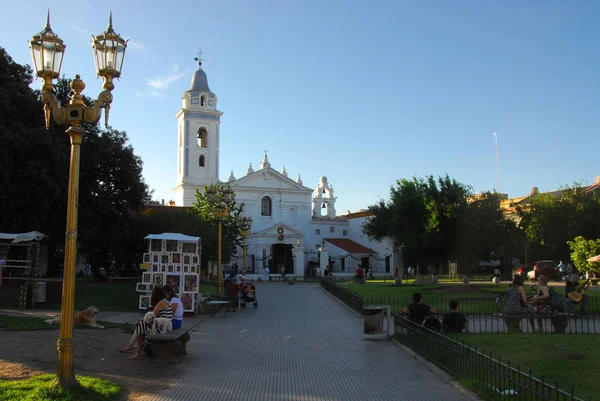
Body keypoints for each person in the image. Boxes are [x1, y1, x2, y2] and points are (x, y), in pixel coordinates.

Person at [120, 286, 173, 360]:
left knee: (140, 325)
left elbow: (151, 316)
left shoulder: (161, 303)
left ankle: (133, 348)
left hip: (164, 328)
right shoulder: (165, 301)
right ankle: (134, 348)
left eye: (152, 293)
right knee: (141, 326)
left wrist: (138, 321)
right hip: (166, 326)